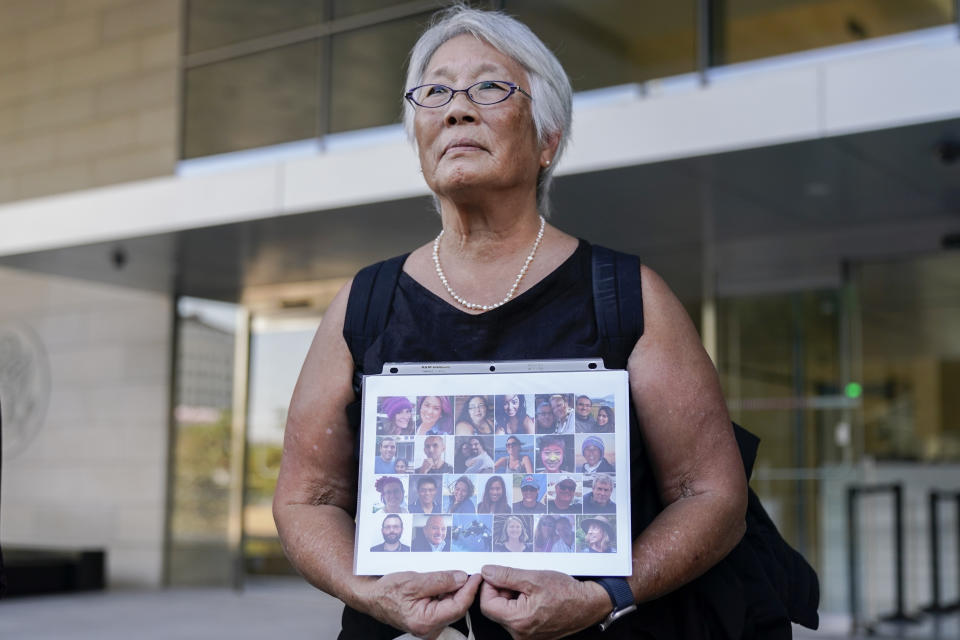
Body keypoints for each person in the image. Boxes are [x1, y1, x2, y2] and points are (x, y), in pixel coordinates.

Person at [275, 6, 761, 639]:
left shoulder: (627, 295)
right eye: (436, 91)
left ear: (547, 140)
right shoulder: (363, 303)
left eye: (489, 87)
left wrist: (607, 594)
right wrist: (368, 591)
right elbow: (306, 499)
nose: (456, 108)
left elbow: (713, 497)